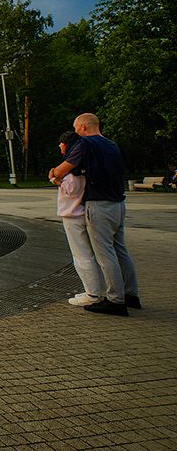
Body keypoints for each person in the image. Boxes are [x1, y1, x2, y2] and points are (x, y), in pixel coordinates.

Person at [50, 113, 139, 316]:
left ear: (82, 126)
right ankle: (131, 294)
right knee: (120, 249)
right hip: (118, 202)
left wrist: (54, 173)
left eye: (75, 127)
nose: (75, 132)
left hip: (99, 204)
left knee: (104, 253)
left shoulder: (85, 144)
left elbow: (61, 171)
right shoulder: (111, 144)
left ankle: (116, 300)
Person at [50, 131, 105, 306]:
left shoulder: (73, 170)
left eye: (62, 143)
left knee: (81, 255)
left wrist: (56, 180)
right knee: (90, 254)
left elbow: (70, 189)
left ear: (67, 145)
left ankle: (93, 294)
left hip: (73, 215)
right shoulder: (82, 167)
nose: (60, 146)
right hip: (82, 213)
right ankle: (97, 290)